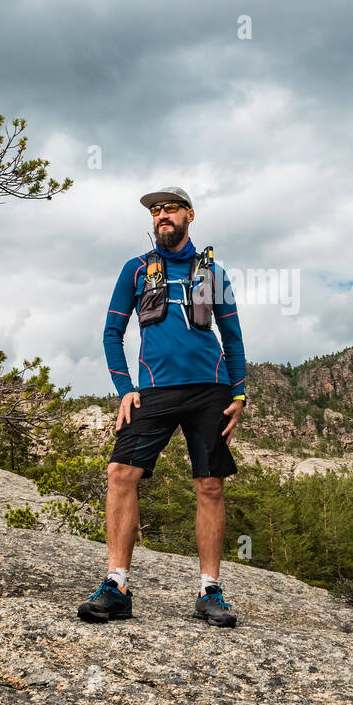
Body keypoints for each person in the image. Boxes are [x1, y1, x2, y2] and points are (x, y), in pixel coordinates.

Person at [78, 186, 247, 627]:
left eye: (169, 208)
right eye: (155, 211)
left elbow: (233, 338)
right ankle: (117, 586)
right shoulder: (134, 270)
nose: (161, 216)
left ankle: (210, 591)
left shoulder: (214, 273)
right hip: (153, 390)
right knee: (120, 472)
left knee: (210, 486)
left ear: (190, 214)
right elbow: (111, 333)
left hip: (210, 389)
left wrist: (240, 393)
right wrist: (124, 388)